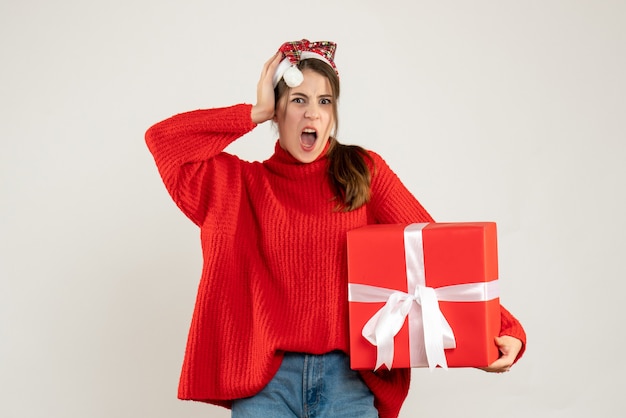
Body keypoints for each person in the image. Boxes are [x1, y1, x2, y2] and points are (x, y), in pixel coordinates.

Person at [145, 39, 526, 418]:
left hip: (347, 383)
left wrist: (500, 329)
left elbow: (432, 253)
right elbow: (163, 141)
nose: (313, 113)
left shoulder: (362, 172)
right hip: (265, 387)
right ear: (278, 112)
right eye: (298, 100)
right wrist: (253, 111)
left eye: (324, 101)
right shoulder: (236, 186)